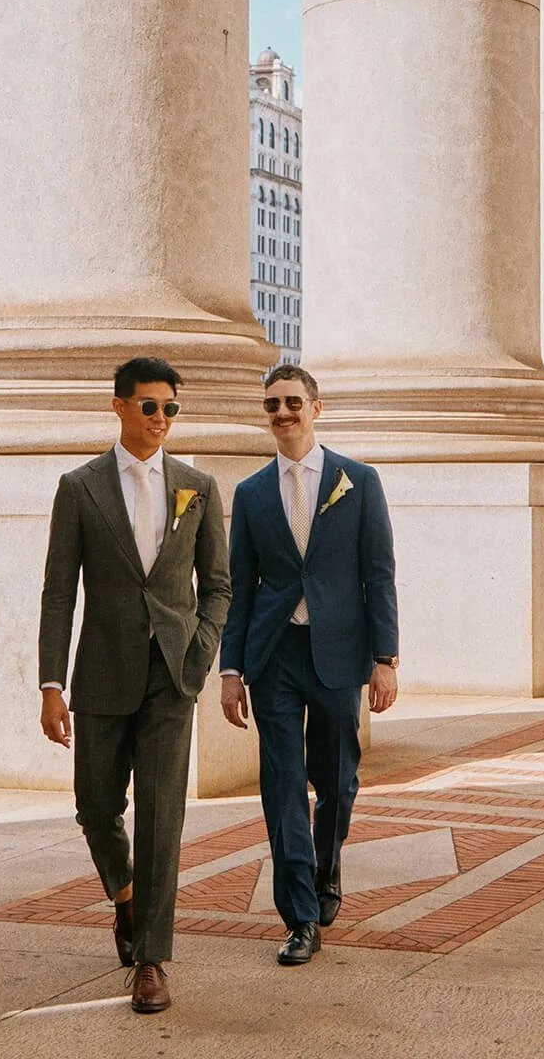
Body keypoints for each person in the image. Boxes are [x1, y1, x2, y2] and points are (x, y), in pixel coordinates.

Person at [38, 356, 230, 1015]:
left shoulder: (198, 487)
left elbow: (218, 585)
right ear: (119, 406)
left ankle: (150, 960)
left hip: (172, 675)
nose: (161, 419)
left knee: (161, 814)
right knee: (95, 807)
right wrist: (51, 683)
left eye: (171, 408)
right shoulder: (80, 488)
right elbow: (59, 592)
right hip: (99, 673)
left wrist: (200, 653)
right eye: (149, 406)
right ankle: (124, 896)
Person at [220, 363, 399, 966]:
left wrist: (385, 659)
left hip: (340, 654)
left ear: (316, 408)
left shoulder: (359, 481)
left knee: (338, 780)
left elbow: (379, 575)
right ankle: (299, 916)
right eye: (273, 404)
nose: (283, 413)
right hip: (274, 656)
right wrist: (230, 670)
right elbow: (240, 589)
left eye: (293, 402)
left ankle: (328, 867)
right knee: (283, 786)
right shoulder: (250, 493)